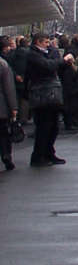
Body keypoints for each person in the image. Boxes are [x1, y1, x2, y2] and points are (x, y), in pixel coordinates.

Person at [25, 31, 70, 166]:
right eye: (46, 42)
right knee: (43, 126)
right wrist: (62, 61)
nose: (48, 45)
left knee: (53, 126)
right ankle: (38, 156)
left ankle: (49, 153)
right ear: (38, 42)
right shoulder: (32, 55)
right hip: (41, 94)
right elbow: (48, 66)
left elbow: (53, 63)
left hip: (51, 93)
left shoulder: (47, 53)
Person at [0, 38, 17, 171]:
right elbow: (9, 88)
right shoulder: (3, 64)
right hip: (1, 106)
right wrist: (13, 108)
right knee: (3, 133)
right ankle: (6, 155)